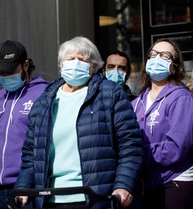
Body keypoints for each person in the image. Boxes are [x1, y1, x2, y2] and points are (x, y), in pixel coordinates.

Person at [12, 36, 144, 209]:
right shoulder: (44, 101)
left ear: (94, 66)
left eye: (81, 59)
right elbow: (31, 154)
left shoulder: (111, 94)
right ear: (61, 65)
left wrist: (123, 185)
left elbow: (130, 145)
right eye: (70, 59)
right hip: (51, 200)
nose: (75, 63)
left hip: (94, 198)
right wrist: (22, 187)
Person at [0, 40, 49, 209]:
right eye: (1, 72)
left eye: (10, 70)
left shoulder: (45, 94)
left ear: (26, 64)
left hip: (29, 187)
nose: (5, 76)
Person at [131, 38, 193, 209]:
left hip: (175, 180)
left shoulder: (181, 98)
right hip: (150, 182)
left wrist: (139, 154)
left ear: (174, 67)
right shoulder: (136, 103)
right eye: (153, 54)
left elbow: (177, 147)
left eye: (165, 56)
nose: (157, 59)